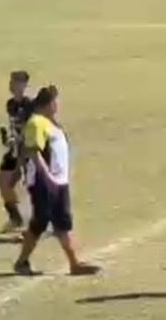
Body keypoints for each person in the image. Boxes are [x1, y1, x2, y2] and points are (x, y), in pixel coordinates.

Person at [12, 86, 101, 277]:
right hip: (45, 181)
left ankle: (74, 264)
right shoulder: (37, 123)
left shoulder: (52, 124)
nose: (57, 105)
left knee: (62, 222)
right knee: (41, 221)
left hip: (59, 181)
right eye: (55, 101)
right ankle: (22, 262)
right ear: (49, 103)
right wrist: (48, 177)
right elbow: (33, 151)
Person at [0, 70, 33, 232]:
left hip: (26, 151)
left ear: (24, 85)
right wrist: (9, 139)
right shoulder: (10, 104)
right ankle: (16, 218)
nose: (11, 85)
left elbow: (32, 130)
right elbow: (14, 128)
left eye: (15, 82)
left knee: (29, 185)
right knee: (2, 182)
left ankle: (40, 220)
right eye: (11, 81)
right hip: (14, 150)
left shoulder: (29, 105)